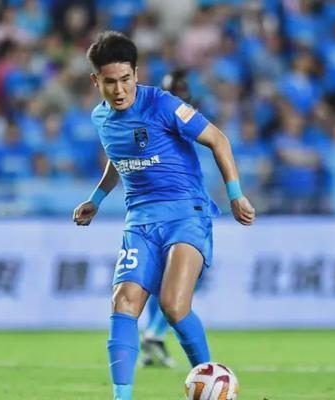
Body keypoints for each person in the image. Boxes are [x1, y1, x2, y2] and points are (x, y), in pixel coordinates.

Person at [73, 31, 255, 400]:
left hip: (186, 213)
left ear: (136, 74)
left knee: (173, 305)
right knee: (123, 301)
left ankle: (212, 384)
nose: (119, 90)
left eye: (126, 79)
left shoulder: (164, 104)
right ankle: (121, 397)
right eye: (110, 82)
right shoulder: (101, 118)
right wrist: (96, 198)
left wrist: (235, 195)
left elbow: (218, 139)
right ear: (95, 81)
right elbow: (120, 158)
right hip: (139, 220)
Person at [139, 69, 192, 369]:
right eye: (175, 90)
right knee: (186, 276)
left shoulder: (173, 116)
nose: (179, 95)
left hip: (165, 207)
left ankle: (152, 340)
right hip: (171, 209)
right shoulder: (166, 117)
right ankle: (154, 334)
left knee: (160, 281)